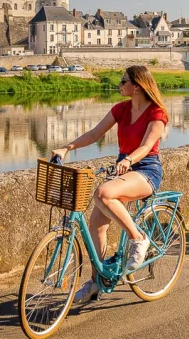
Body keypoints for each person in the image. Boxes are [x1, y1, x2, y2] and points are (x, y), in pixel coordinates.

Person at [51, 65, 168, 303]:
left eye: (123, 81)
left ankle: (139, 238)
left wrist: (129, 159)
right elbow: (94, 134)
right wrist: (66, 148)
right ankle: (97, 281)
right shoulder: (121, 109)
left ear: (137, 86)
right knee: (96, 225)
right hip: (123, 168)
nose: (119, 85)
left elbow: (146, 146)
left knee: (103, 193)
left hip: (146, 169)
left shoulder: (157, 113)